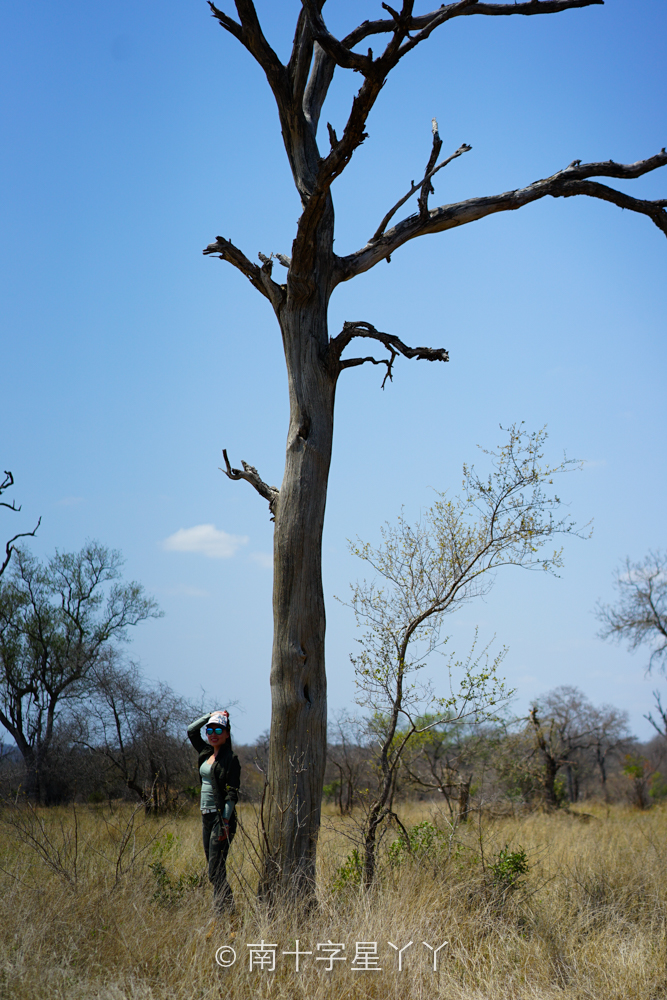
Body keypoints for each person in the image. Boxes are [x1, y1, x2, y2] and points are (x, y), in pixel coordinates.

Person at [187, 709, 241, 913]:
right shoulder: (205, 752)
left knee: (214, 871)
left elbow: (231, 794)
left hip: (221, 819)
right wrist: (210, 715)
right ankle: (224, 912)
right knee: (215, 869)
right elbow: (191, 731)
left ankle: (228, 913)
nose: (213, 733)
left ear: (227, 734)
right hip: (206, 816)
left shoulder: (231, 759)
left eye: (219, 729)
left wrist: (225, 822)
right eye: (210, 729)